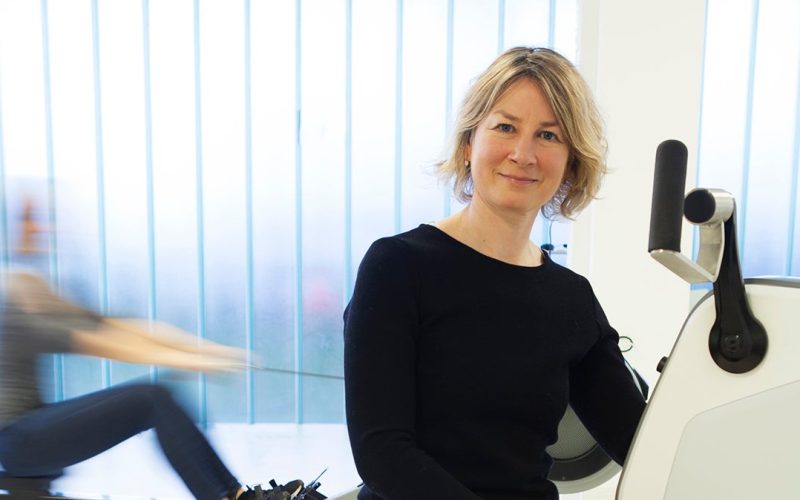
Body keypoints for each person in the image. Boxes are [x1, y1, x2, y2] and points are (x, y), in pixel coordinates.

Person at [343, 47, 646, 500]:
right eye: (505, 127)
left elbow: (644, 444)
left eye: (548, 135)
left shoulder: (570, 299)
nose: (523, 154)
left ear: (570, 161)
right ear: (469, 144)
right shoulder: (399, 267)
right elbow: (382, 451)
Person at [0, 203, 305, 500]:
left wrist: (207, 350)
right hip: (16, 440)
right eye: (30, 221)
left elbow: (120, 327)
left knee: (155, 398)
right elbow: (102, 344)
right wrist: (194, 360)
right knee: (151, 399)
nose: (43, 229)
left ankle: (236, 495)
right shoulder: (12, 293)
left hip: (27, 431)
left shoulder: (32, 285)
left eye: (44, 220)